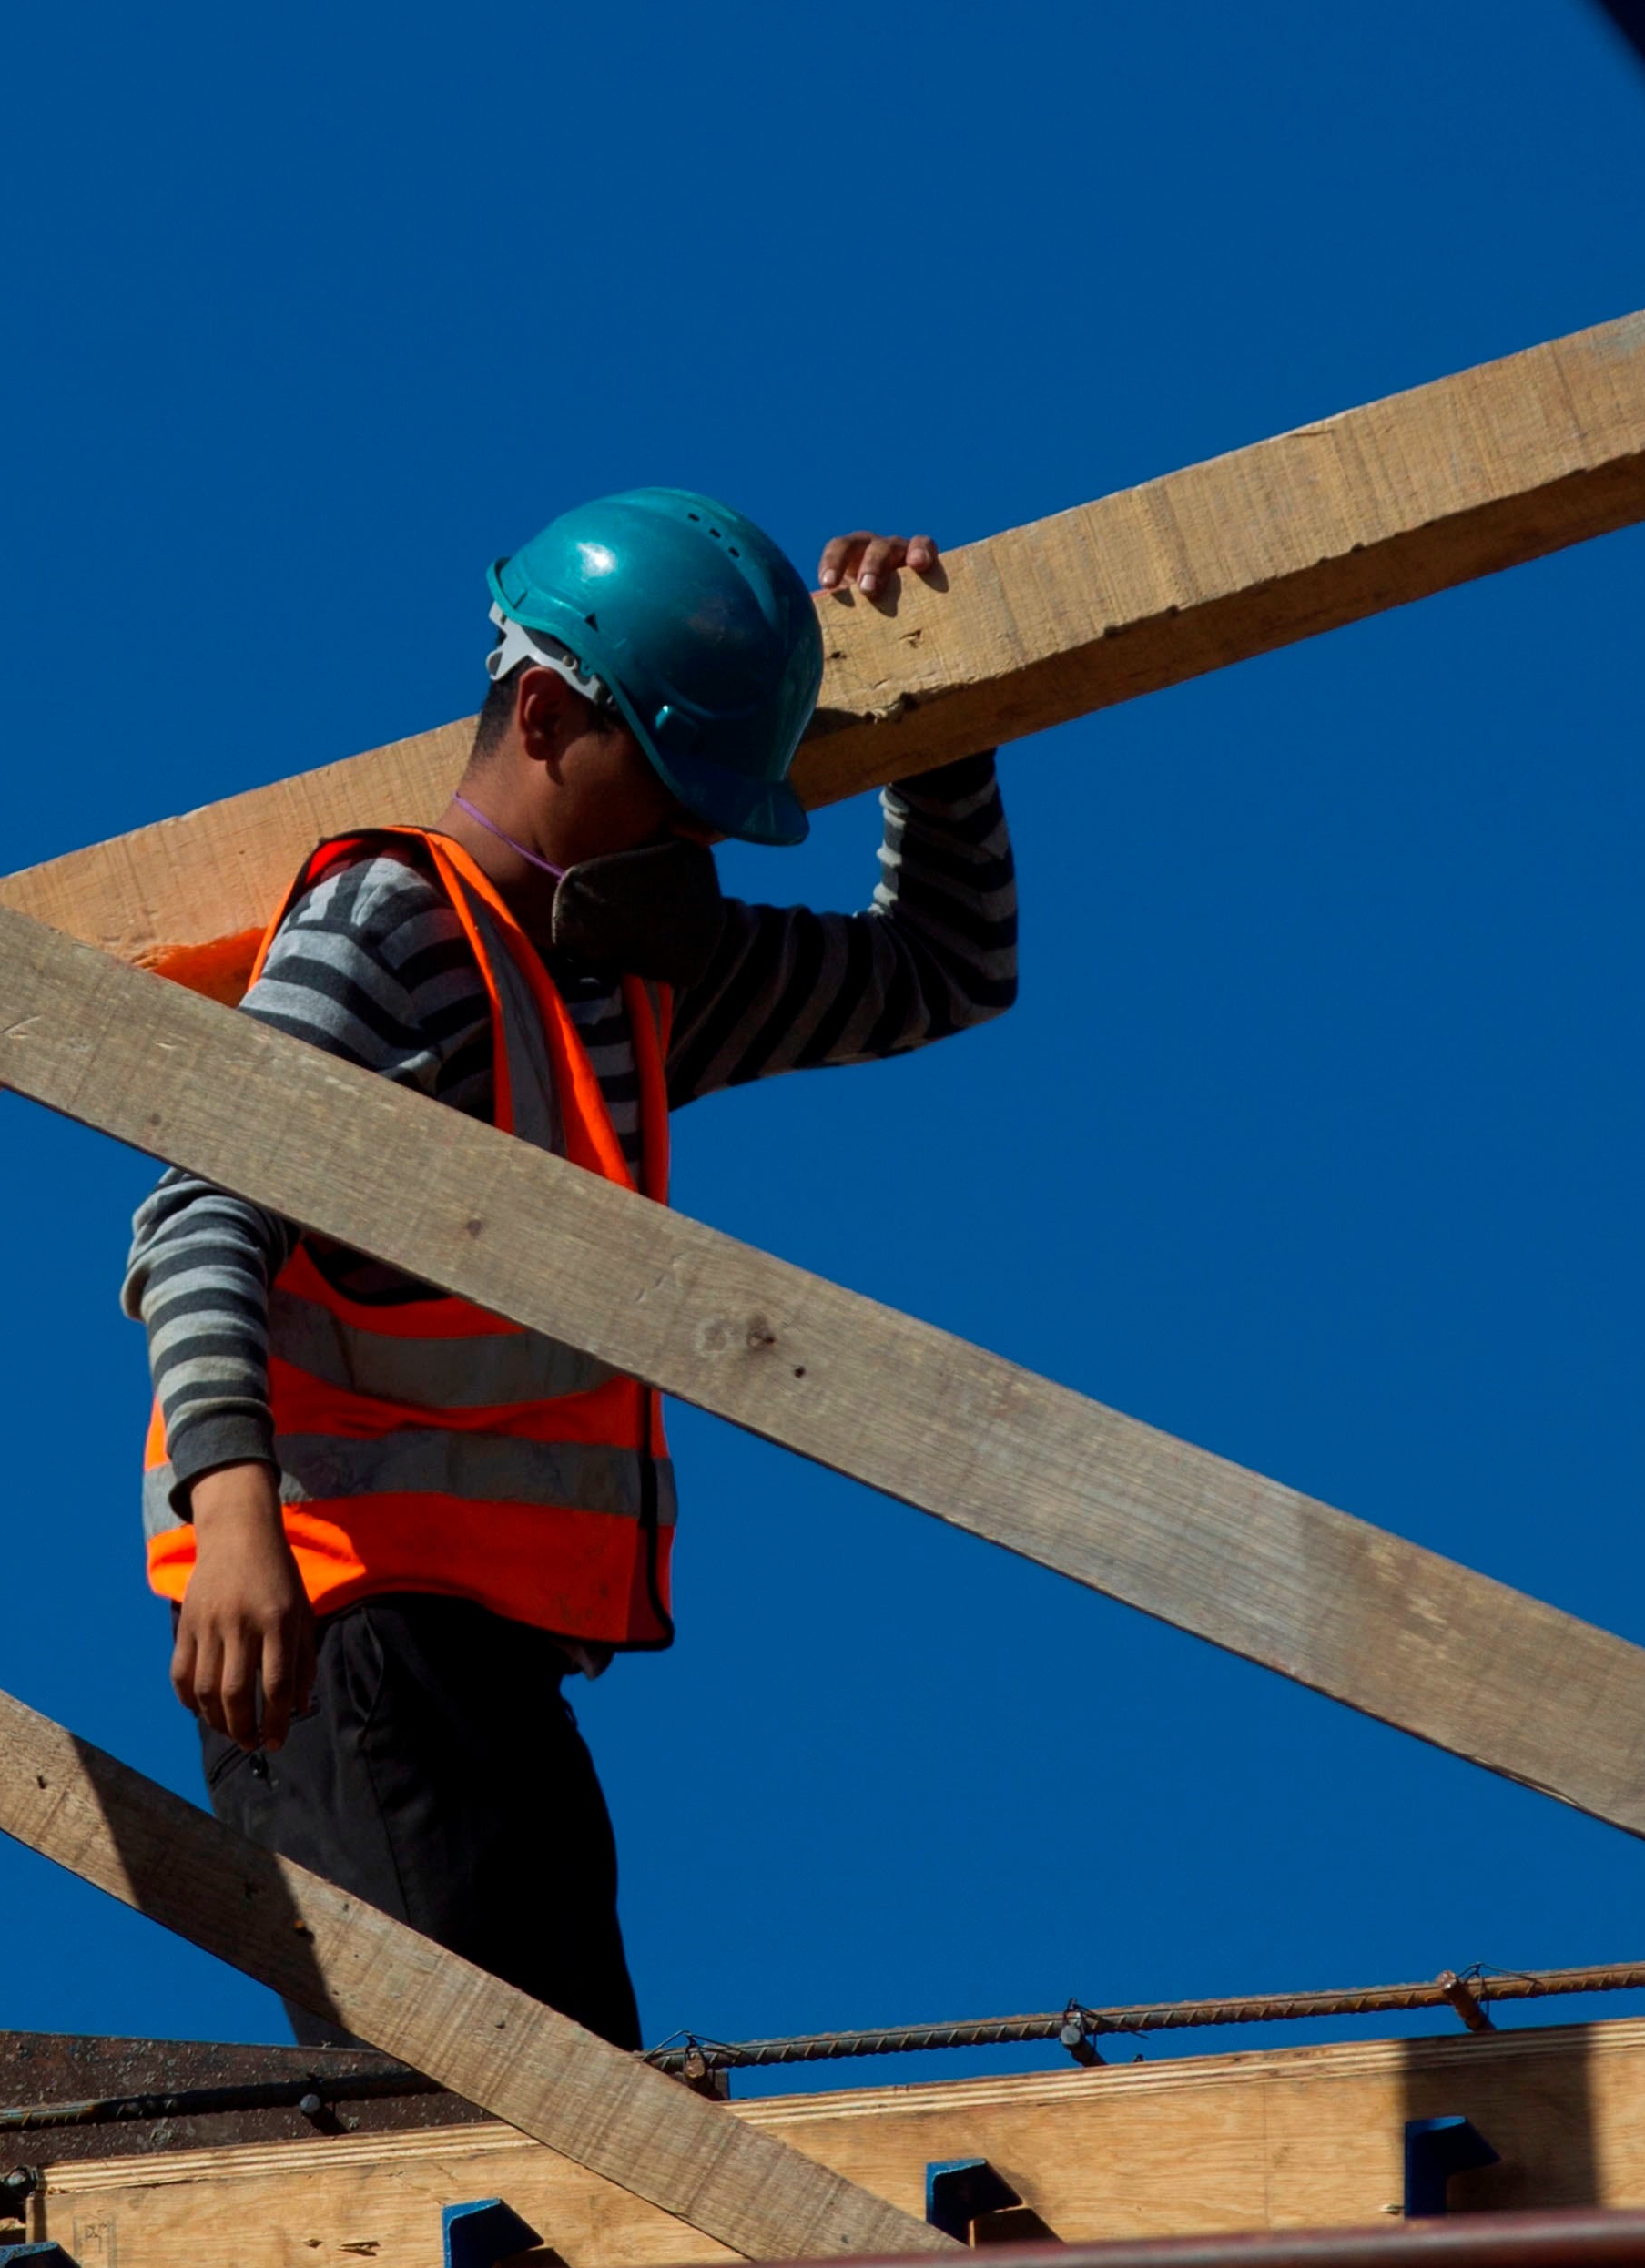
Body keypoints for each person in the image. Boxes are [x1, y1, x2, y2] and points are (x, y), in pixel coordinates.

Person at [122, 488, 1019, 2048]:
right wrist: (234, 1511)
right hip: (342, 1635)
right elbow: (206, 1201)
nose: (693, 848)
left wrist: (932, 721)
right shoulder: (393, 919)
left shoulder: (630, 970)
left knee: (581, 2126)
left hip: (495, 1668)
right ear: (545, 713)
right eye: (672, 797)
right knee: (463, 2139)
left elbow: (943, 971)